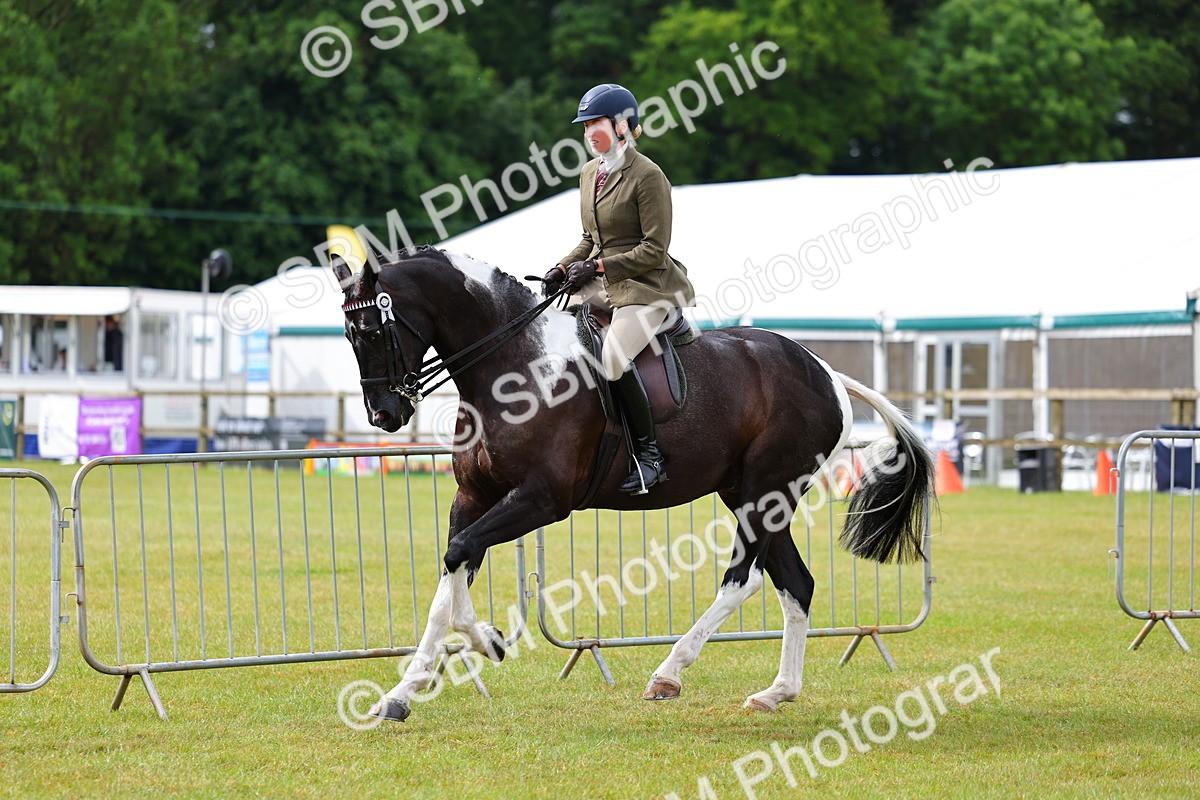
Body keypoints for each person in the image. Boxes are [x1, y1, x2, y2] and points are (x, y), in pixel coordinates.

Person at [544, 83, 695, 494]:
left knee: (612, 358)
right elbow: (589, 237)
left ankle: (649, 457)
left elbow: (654, 250)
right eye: (586, 125)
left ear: (623, 125)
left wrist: (594, 266)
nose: (590, 132)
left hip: (649, 288)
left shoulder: (648, 176)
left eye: (597, 123)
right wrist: (560, 267)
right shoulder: (589, 174)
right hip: (605, 282)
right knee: (547, 328)